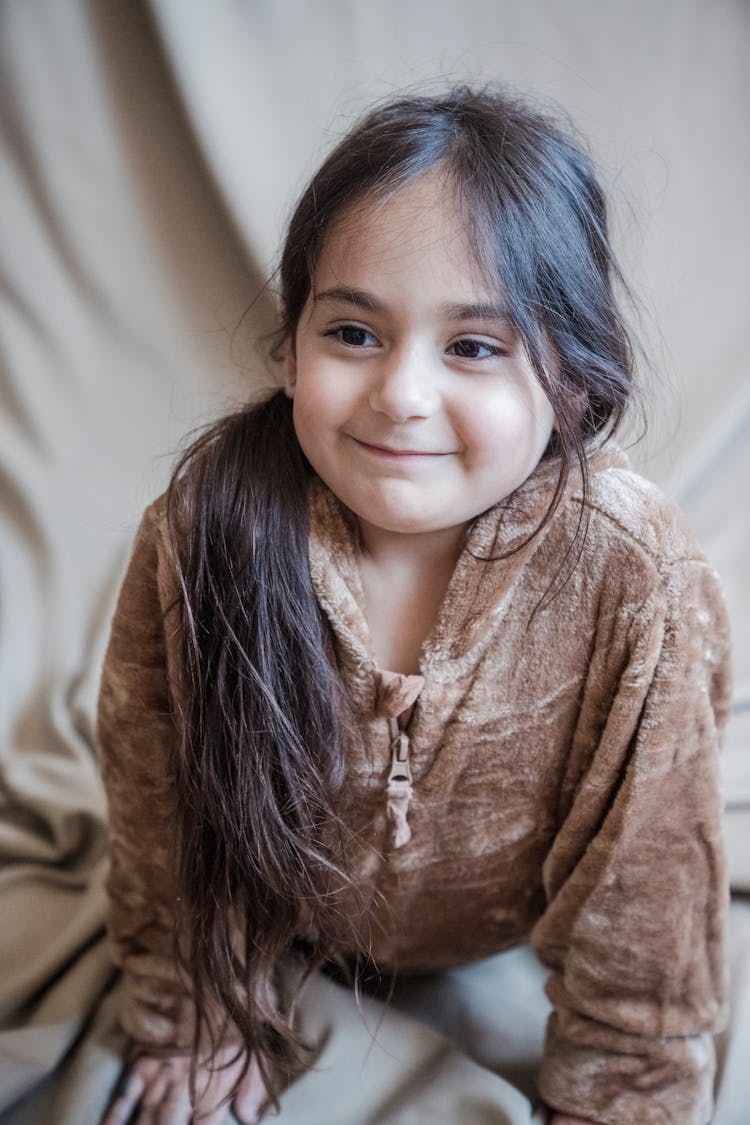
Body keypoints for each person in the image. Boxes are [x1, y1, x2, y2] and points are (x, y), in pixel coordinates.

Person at [97, 86, 732, 1125]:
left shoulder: (630, 574)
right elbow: (159, 800)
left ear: (572, 380)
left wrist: (623, 1092)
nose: (401, 395)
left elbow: (650, 878)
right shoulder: (203, 526)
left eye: (474, 347)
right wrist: (198, 1014)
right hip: (288, 921)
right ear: (290, 347)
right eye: (353, 331)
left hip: (499, 928)